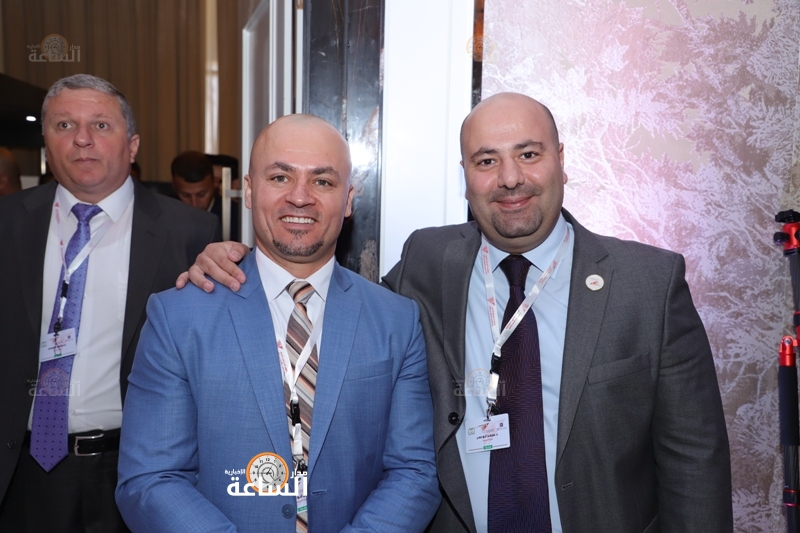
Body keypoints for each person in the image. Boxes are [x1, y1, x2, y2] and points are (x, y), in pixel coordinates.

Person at [181, 93, 733, 532]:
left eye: (529, 154)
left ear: (561, 161)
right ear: (465, 175)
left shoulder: (647, 283)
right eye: (487, 161)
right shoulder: (428, 260)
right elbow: (336, 309)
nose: (510, 178)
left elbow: (695, 460)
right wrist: (241, 263)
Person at [116, 114, 440, 532]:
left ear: (348, 199)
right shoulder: (178, 317)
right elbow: (151, 479)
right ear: (250, 190)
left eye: (322, 181)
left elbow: (414, 472)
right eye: (280, 177)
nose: (300, 197)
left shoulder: (396, 320)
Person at [0, 74, 220, 532]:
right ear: (46, 146)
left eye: (100, 125)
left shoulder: (191, 233)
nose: (82, 139)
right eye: (64, 125)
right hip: (21, 471)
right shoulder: (7, 223)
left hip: (138, 471)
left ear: (133, 145)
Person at [173, 150, 240, 240]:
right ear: (174, 186)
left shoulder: (236, 216)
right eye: (186, 195)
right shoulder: (164, 214)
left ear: (214, 183)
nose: (194, 204)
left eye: (201, 194)